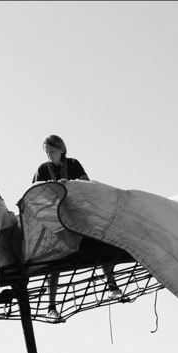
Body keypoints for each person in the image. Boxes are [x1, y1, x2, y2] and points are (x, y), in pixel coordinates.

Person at [33, 135, 122, 319]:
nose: (50, 155)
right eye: (47, 152)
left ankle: (112, 286)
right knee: (53, 259)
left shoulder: (73, 164)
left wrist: (70, 184)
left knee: (99, 241)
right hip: (56, 219)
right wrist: (51, 186)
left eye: (53, 151)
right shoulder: (42, 169)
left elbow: (87, 185)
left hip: (77, 216)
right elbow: (35, 190)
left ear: (61, 150)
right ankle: (51, 306)